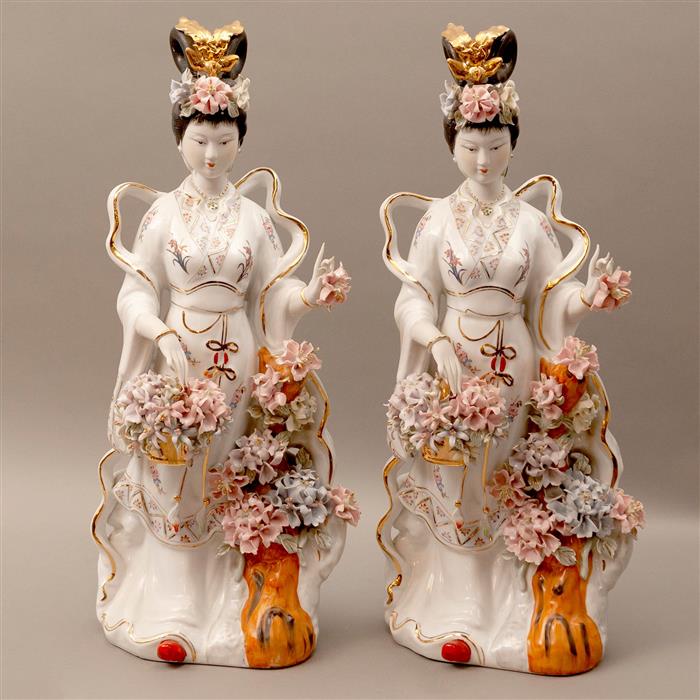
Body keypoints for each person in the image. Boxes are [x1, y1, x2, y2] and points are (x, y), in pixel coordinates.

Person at [378, 24, 635, 673]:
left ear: (513, 143)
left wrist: (589, 298)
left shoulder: (531, 221)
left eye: (495, 146)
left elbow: (551, 300)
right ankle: (455, 602)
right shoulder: (437, 219)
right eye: (471, 147)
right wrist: (434, 337)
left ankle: (512, 600)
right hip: (456, 364)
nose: (484, 160)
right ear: (452, 145)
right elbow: (413, 297)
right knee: (459, 479)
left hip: (515, 364)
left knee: (510, 475)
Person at [93, 18, 349, 667]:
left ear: (240, 141)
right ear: (180, 138)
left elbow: (272, 297)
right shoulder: (163, 214)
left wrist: (311, 297)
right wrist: (159, 330)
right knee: (180, 476)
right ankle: (174, 600)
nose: (212, 154)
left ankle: (235, 594)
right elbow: (135, 292)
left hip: (238, 357)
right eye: (200, 140)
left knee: (235, 471)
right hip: (181, 360)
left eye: (225, 140)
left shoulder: (253, 218)